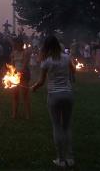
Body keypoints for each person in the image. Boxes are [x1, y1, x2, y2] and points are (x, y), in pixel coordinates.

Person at [32, 35, 75, 168]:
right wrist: (68, 77)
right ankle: (70, 158)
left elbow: (41, 81)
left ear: (47, 47)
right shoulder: (66, 57)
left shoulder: (46, 61)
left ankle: (61, 160)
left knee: (57, 126)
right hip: (67, 94)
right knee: (66, 126)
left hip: (54, 96)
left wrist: (34, 88)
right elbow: (73, 71)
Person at [11, 37, 32, 119]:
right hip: (15, 74)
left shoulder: (25, 53)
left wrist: (20, 73)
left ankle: (27, 114)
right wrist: (12, 73)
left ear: (20, 44)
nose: (14, 45)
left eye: (15, 43)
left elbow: (25, 64)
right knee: (15, 95)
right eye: (14, 43)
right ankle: (14, 114)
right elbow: (12, 65)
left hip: (24, 75)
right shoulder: (13, 53)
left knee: (25, 95)